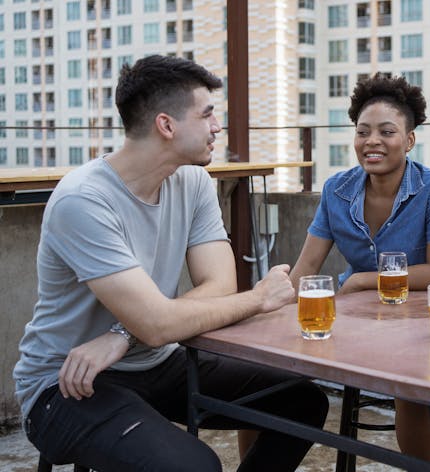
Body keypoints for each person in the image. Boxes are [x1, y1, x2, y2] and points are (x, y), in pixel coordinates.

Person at [13, 55, 328, 472]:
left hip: (155, 363)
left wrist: (124, 335)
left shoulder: (193, 180)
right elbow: (158, 324)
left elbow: (217, 284)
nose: (217, 127)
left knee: (301, 400)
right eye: (208, 114)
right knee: (193, 467)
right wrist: (259, 298)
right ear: (167, 125)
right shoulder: (83, 200)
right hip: (64, 385)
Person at [289, 73, 430, 461]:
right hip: (351, 320)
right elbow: (306, 267)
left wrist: (360, 280)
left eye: (386, 132)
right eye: (362, 132)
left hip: (416, 320)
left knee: (410, 386)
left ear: (409, 140)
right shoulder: (337, 189)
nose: (372, 141)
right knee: (266, 376)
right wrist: (269, 307)